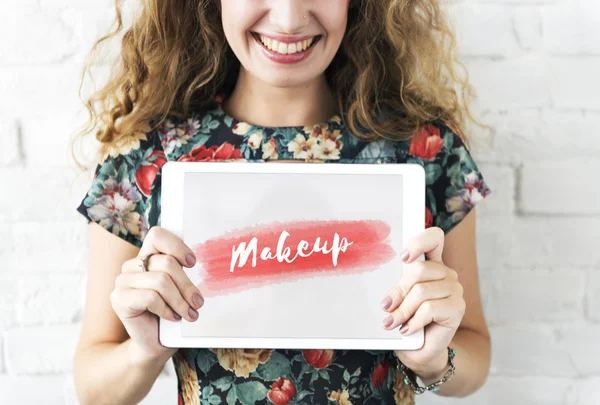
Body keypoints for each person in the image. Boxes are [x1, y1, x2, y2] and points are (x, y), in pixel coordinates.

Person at [72, 1, 493, 404]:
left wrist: (434, 359)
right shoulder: (147, 156)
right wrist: (145, 350)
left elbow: (475, 354)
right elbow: (93, 388)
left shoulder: (428, 150)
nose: (289, 19)